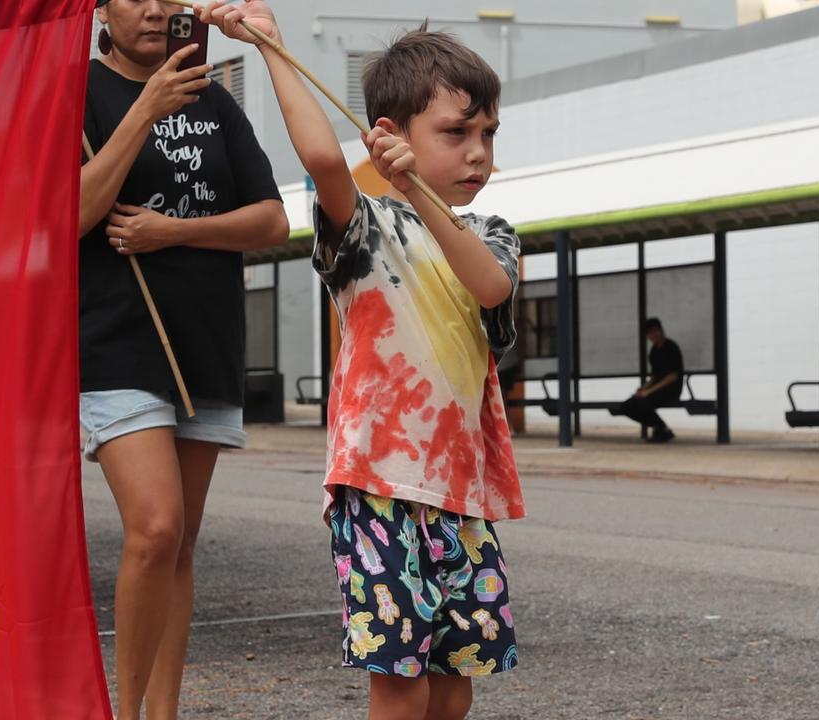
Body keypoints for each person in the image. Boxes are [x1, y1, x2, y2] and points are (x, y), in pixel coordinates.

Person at [201, 3, 524, 718]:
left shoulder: (491, 234)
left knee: (454, 685)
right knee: (400, 682)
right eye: (456, 132)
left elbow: (490, 285)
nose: (478, 151)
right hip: (378, 484)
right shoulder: (365, 230)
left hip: (462, 496)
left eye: (488, 134)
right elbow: (320, 158)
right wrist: (271, 47)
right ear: (389, 136)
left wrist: (415, 188)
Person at [78, 2, 289, 718]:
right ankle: (124, 710)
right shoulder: (76, 95)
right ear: (102, 7)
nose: (156, 9)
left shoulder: (213, 99)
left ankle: (164, 711)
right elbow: (67, 213)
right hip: (116, 343)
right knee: (155, 527)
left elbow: (271, 219)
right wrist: (145, 109)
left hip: (204, 343)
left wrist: (172, 231)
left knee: (181, 545)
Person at [616, 317, 685, 443]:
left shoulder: (671, 347)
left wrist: (649, 391)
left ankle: (661, 428)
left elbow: (673, 376)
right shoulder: (653, 351)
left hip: (671, 390)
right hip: (657, 390)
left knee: (644, 402)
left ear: (661, 330)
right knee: (627, 406)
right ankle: (660, 427)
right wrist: (643, 388)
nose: (652, 335)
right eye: (649, 333)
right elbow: (654, 377)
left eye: (655, 331)